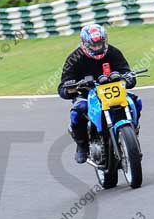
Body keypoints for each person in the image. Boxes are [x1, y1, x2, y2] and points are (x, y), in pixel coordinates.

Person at [58, 24, 141, 164]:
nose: (97, 48)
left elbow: (127, 73)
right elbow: (63, 86)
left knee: (136, 101)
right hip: (87, 94)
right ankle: (82, 145)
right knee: (77, 112)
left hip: (113, 90)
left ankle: (133, 129)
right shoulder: (74, 58)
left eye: (100, 44)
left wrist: (128, 78)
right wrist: (69, 88)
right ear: (85, 44)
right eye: (94, 45)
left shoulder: (113, 52)